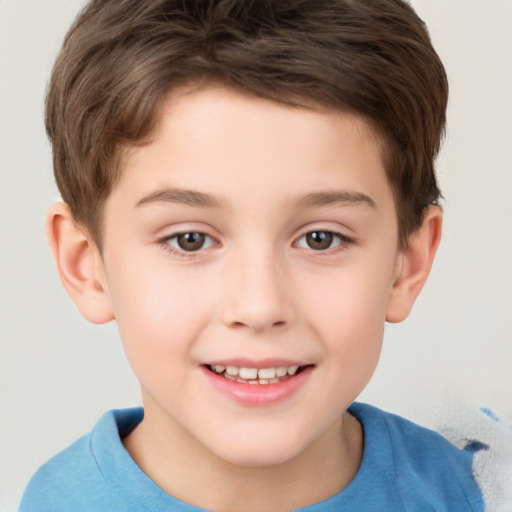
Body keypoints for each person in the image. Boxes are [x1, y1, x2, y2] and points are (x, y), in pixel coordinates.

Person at [18, 0, 495, 510]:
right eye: (190, 240)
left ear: (408, 263)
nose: (259, 305)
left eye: (321, 238)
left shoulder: (482, 491)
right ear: (85, 264)